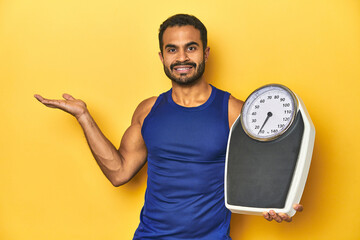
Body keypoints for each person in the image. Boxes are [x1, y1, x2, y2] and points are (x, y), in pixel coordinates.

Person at [34, 14, 303, 240]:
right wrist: (84, 117)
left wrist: (282, 204)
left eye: (191, 47)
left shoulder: (235, 111)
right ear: (162, 57)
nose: (182, 57)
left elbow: (270, 168)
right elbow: (119, 172)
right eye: (172, 49)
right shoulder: (148, 110)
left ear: (205, 53)